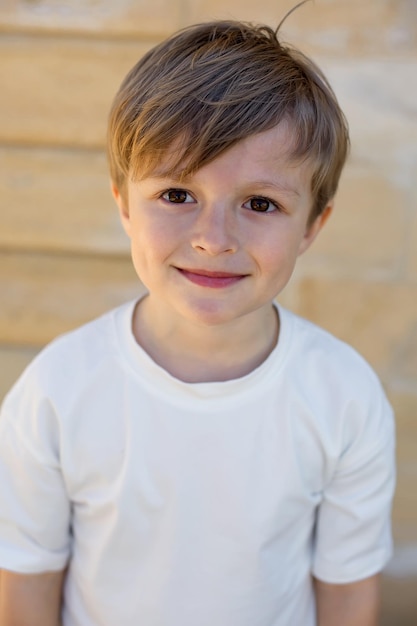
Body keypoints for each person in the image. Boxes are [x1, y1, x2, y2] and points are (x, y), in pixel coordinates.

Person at [0, 15, 395, 626]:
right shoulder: (58, 392)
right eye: (177, 195)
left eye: (261, 204)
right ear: (124, 204)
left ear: (313, 225)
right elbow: (27, 582)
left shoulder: (343, 396)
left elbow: (346, 592)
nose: (214, 239)